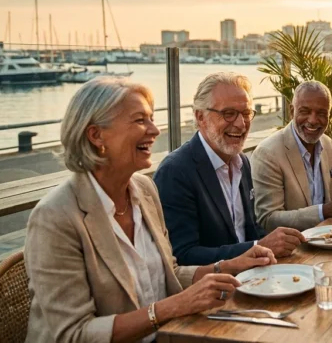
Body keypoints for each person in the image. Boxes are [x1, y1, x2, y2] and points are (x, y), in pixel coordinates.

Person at [25, 78, 276, 342]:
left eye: (152, 119)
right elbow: (72, 335)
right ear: (96, 134)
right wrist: (172, 307)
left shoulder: (144, 190)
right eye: (139, 120)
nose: (155, 130)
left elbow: (170, 272)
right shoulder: (54, 218)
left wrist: (229, 265)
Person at [155, 73, 306, 264]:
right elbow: (183, 255)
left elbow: (249, 230)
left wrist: (280, 242)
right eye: (229, 114)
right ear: (200, 116)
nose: (241, 124)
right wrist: (257, 247)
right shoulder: (175, 172)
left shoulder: (242, 162)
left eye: (246, 113)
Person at [251, 81, 332, 232]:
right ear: (292, 110)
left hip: (330, 238)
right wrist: (323, 211)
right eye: (305, 111)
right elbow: (268, 219)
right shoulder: (268, 153)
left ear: (330, 115)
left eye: (321, 113)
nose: (313, 120)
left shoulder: (327, 144)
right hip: (294, 248)